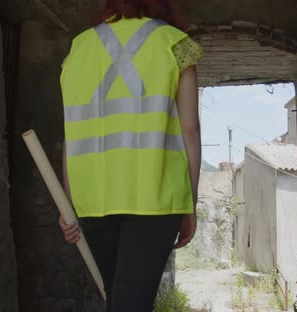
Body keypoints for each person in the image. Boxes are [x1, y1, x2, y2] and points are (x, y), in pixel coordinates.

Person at [58, 0, 202, 310]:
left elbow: (72, 135)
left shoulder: (78, 49)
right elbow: (189, 131)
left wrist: (71, 204)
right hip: (156, 198)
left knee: (119, 301)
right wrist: (189, 204)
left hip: (93, 199)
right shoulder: (175, 43)